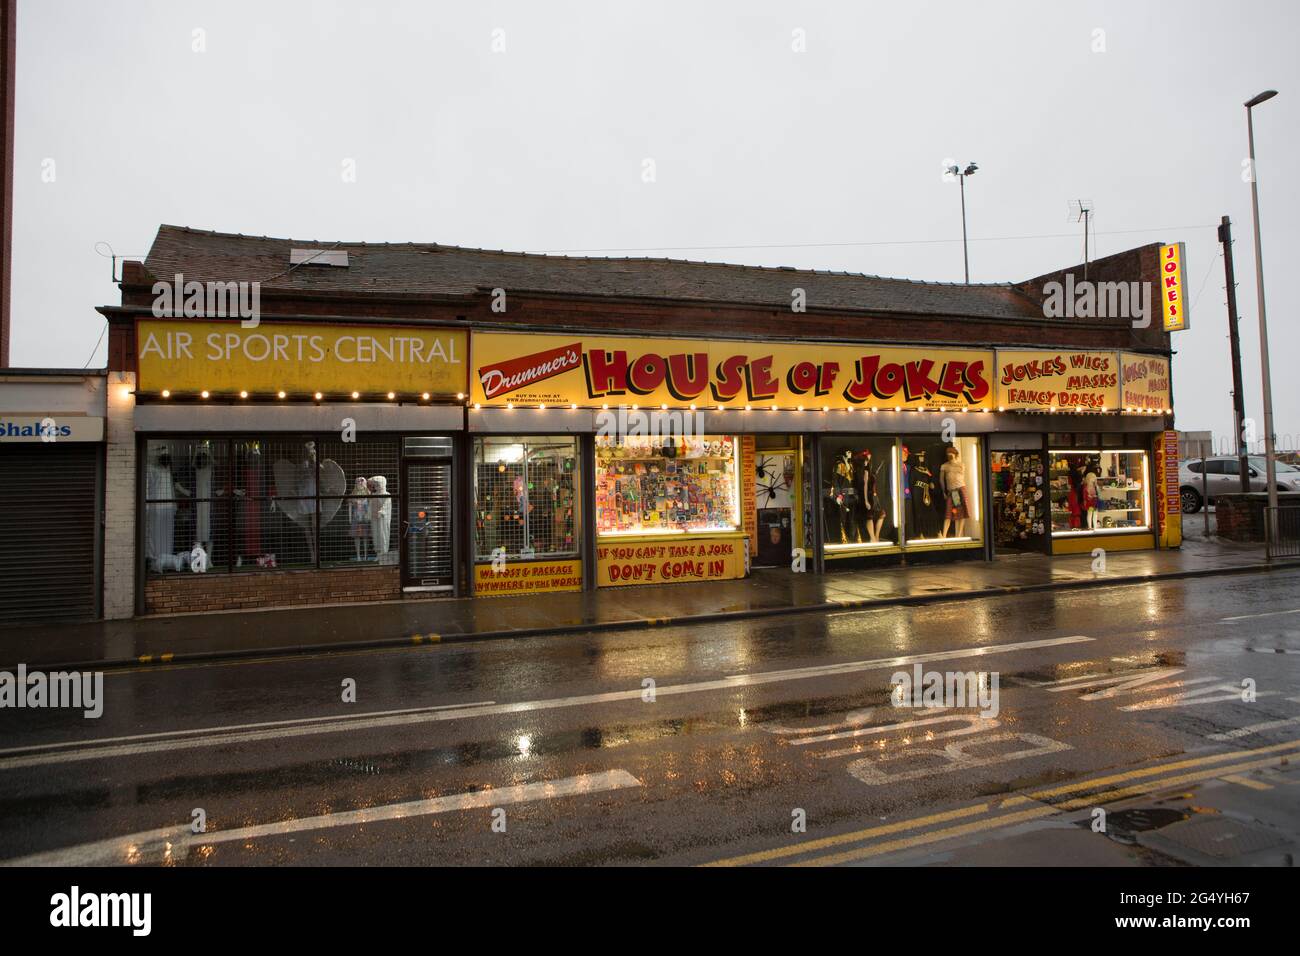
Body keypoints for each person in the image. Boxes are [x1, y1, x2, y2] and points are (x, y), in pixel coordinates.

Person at [940, 445, 969, 538]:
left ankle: (959, 535)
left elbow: (963, 477)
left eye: (951, 455)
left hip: (959, 489)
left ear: (955, 455)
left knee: (961, 512)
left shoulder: (961, 465)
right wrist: (944, 491)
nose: (950, 457)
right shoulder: (944, 466)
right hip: (952, 491)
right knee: (949, 513)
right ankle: (944, 535)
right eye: (948, 455)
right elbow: (941, 480)